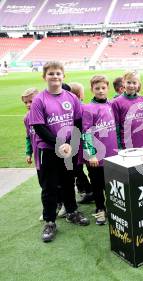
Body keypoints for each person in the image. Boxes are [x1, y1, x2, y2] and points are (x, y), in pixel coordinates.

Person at [29, 61, 90, 242]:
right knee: (49, 187)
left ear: (63, 76)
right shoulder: (39, 100)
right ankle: (49, 221)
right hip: (49, 150)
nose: (55, 76)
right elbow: (39, 127)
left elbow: (78, 122)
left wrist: (70, 143)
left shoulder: (71, 97)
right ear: (44, 77)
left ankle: (72, 212)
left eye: (58, 73)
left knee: (68, 182)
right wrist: (58, 143)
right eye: (51, 74)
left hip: (68, 148)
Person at [81, 75, 118, 225]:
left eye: (103, 88)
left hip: (112, 155)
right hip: (96, 158)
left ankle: (112, 208)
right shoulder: (89, 109)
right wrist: (91, 155)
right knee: (97, 185)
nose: (101, 91)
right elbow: (86, 132)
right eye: (97, 88)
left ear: (107, 88)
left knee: (111, 184)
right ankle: (100, 209)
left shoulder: (110, 105)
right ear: (92, 90)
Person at [69, 82, 93, 204]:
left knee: (77, 169)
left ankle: (88, 190)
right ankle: (88, 189)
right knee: (85, 169)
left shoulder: (72, 109)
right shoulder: (83, 107)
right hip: (84, 144)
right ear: (80, 95)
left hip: (77, 144)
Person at [111, 71, 143, 149]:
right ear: (123, 83)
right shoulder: (116, 102)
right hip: (126, 145)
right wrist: (119, 147)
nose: (131, 85)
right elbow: (116, 127)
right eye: (128, 82)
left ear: (138, 84)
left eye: (134, 83)